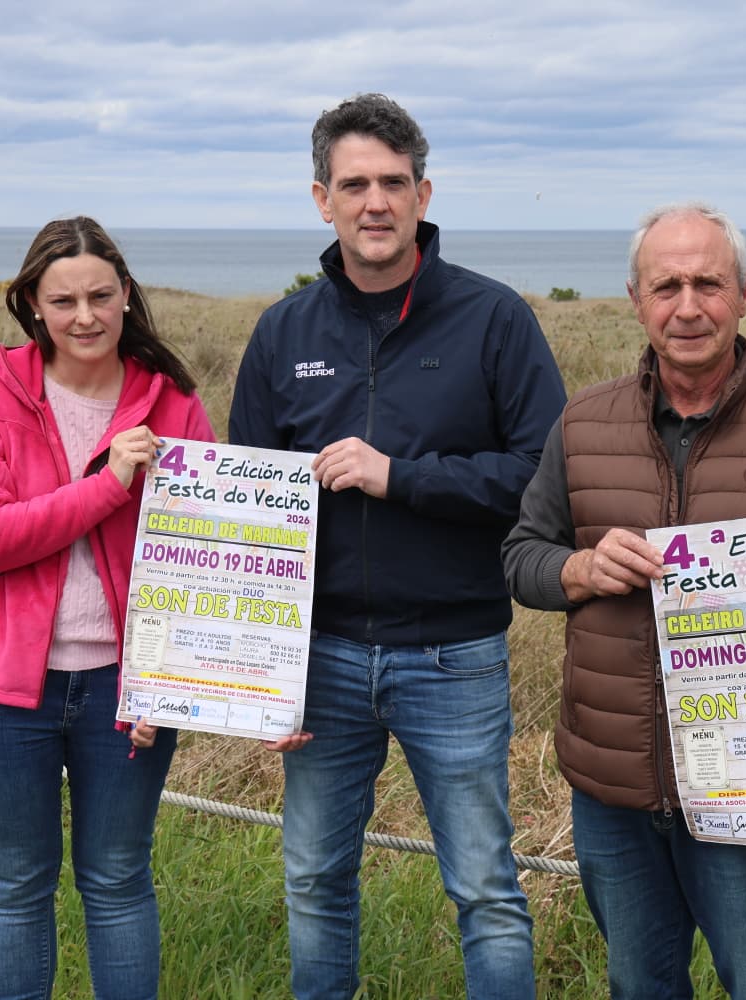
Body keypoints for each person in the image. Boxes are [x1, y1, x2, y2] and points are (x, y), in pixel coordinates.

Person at [228, 93, 563, 1000]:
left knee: (486, 889)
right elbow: (247, 522)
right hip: (319, 658)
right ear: (320, 198)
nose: (373, 202)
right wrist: (259, 670)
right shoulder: (281, 334)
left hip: (453, 656)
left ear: (423, 193)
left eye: (392, 183)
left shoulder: (496, 321)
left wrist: (401, 475)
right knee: (313, 881)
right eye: (353, 185)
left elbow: (542, 480)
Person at [502, 202, 746, 1000]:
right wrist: (582, 571)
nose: (689, 306)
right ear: (636, 297)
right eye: (666, 285)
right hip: (613, 789)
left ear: (744, 292)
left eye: (708, 282)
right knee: (640, 986)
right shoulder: (580, 424)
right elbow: (521, 558)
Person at [0, 216, 215, 999]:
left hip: (125, 691)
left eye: (100, 295)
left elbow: (199, 558)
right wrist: (106, 486)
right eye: (64, 300)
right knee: (17, 883)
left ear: (127, 294)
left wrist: (168, 678)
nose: (85, 315)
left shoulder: (172, 399)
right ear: (31, 303)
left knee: (120, 879)